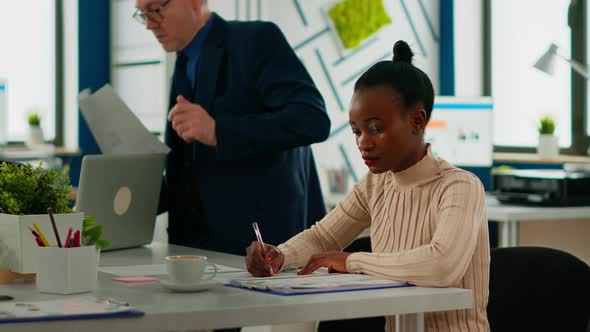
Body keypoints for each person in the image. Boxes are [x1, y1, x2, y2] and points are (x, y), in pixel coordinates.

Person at [246, 41, 490, 331]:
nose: (363, 142)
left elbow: (441, 265)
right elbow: (323, 238)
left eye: (376, 129)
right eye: (356, 131)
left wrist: (352, 261)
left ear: (417, 120)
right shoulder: (376, 184)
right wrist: (280, 255)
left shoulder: (460, 186)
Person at [134, 0, 330, 255]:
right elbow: (189, 169)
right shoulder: (182, 63)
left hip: (261, 252)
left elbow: (312, 120)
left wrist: (218, 131)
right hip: (192, 252)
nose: (149, 24)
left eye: (156, 10)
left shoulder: (257, 39)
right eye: (143, 14)